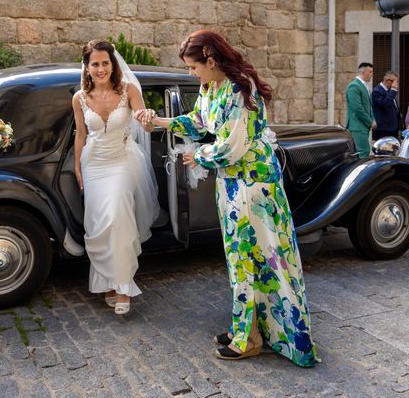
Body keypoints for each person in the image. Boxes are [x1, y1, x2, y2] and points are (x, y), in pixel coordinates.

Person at [136, 30, 318, 367]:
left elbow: (233, 146)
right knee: (241, 259)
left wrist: (198, 156)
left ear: (210, 58)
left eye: (193, 67)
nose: (192, 74)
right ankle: (246, 328)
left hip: (254, 185)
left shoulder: (240, 87)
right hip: (232, 184)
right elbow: (200, 121)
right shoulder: (211, 86)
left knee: (255, 259)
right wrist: (160, 122)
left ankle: (249, 338)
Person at [72, 39, 159, 315]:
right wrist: (77, 167)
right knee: (99, 224)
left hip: (122, 160)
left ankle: (123, 286)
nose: (100, 69)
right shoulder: (79, 98)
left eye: (105, 63)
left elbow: (145, 126)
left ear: (113, 64)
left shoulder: (128, 90)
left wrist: (148, 119)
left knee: (118, 217)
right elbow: (81, 134)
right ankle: (107, 282)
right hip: (93, 164)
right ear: (86, 67)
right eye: (94, 64)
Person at [345, 62, 376, 158]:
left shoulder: (364, 86)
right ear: (363, 72)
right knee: (363, 152)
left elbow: (369, 106)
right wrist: (370, 121)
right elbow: (357, 108)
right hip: (357, 126)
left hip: (362, 126)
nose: (372, 74)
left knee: (362, 152)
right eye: (370, 72)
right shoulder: (354, 86)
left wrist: (373, 118)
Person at [372, 70, 402, 140]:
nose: (397, 84)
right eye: (395, 82)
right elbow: (385, 104)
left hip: (393, 129)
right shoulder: (377, 91)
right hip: (383, 130)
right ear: (388, 80)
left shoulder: (390, 91)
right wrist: (393, 90)